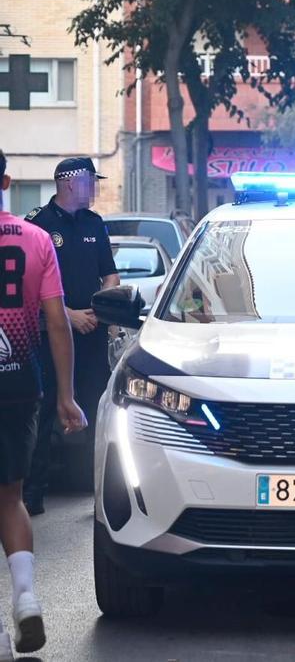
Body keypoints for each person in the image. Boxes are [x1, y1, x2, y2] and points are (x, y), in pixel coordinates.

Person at [0, 148, 88, 657]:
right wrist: (67, 397)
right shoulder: (35, 239)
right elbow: (58, 323)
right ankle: (27, 596)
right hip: (18, 385)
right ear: (6, 179)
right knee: (8, 497)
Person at [24, 157, 118, 514]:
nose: (94, 188)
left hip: (91, 334)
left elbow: (109, 274)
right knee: (46, 408)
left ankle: (96, 491)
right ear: (70, 182)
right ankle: (33, 491)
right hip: (49, 335)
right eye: (91, 181)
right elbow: (29, 288)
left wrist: (99, 305)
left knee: (97, 406)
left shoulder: (96, 223)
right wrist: (68, 316)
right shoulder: (39, 225)